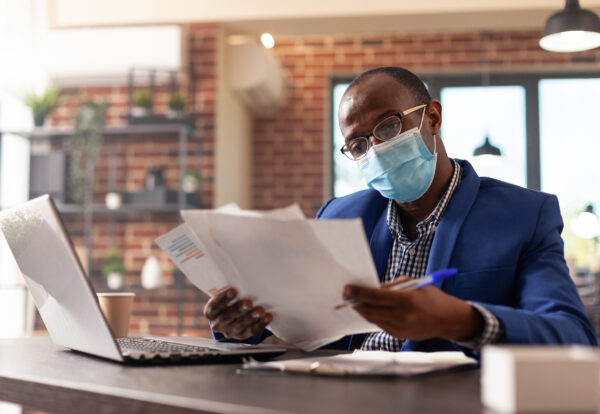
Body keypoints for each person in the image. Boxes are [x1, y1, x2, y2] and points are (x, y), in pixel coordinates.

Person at [204, 66, 597, 354]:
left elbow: (574, 337)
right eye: (358, 145)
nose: (374, 149)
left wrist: (461, 319)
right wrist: (246, 327)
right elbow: (307, 330)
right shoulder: (339, 216)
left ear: (433, 118)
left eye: (388, 127)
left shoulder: (523, 216)